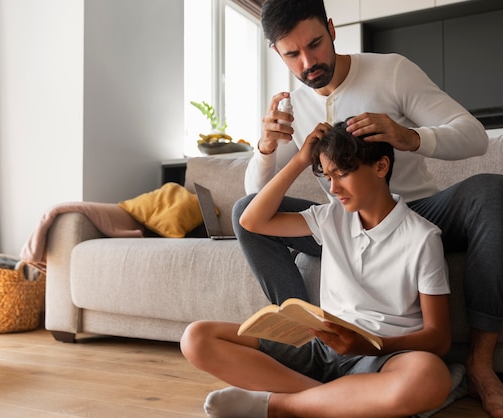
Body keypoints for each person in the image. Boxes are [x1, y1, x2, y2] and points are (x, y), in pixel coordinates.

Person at [231, 1, 503, 418]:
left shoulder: (391, 70)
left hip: (422, 210)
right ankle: (307, 341)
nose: (308, 61)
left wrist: (409, 136)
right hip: (343, 222)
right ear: (277, 54)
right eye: (292, 53)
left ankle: (480, 367)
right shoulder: (293, 108)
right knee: (245, 213)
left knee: (493, 190)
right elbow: (255, 201)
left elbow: (474, 137)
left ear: (332, 29)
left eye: (315, 44)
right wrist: (265, 150)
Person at [182, 121, 459, 418]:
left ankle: (281, 405)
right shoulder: (331, 217)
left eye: (342, 174)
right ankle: (337, 403)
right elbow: (251, 222)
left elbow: (438, 338)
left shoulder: (422, 238)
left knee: (431, 377)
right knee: (196, 338)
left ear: (381, 167)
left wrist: (370, 346)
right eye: (327, 176)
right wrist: (300, 160)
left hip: (382, 356)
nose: (333, 188)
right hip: (321, 346)